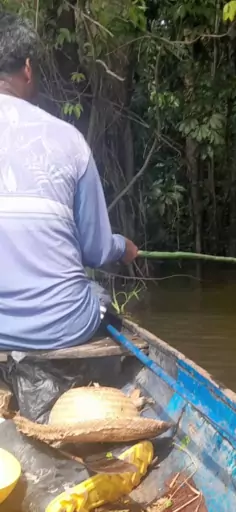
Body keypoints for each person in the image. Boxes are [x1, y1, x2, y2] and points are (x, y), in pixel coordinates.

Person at [0, 11, 138, 351]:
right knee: (97, 295)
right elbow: (95, 250)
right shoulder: (69, 140)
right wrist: (122, 247)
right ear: (27, 68)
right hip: (61, 324)